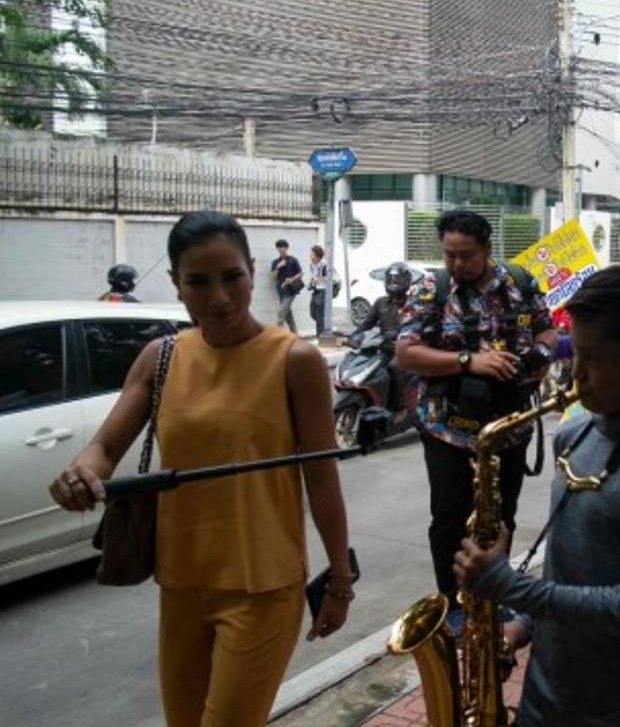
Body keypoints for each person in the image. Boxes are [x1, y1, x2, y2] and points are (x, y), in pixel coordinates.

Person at [49, 210, 352, 727]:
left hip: (264, 586)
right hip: (181, 582)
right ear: (176, 283)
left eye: (232, 277)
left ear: (252, 270)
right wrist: (80, 473)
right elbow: (103, 447)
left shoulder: (294, 360)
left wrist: (340, 581)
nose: (219, 298)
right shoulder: (161, 357)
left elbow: (322, 481)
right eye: (198, 282)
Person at [453, 264, 620, 726]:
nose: (576, 376)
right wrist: (523, 626)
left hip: (613, 706)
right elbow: (570, 570)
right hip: (544, 688)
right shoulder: (573, 434)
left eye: (593, 358)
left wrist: (508, 586)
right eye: (573, 354)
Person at [396, 210, 555, 630]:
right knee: (450, 520)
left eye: (466, 255)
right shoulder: (431, 289)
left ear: (486, 249)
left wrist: (538, 356)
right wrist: (470, 361)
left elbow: (548, 331)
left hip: (509, 429)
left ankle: (493, 597)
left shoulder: (519, 283)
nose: (457, 263)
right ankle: (453, 605)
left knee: (501, 519)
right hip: (448, 430)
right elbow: (406, 354)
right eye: (449, 254)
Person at [354, 261, 414, 421]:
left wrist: (400, 335)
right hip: (383, 348)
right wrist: (353, 336)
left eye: (398, 279)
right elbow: (366, 325)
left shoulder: (412, 303)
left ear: (407, 281)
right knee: (368, 368)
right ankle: (374, 403)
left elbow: (417, 326)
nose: (394, 283)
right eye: (391, 279)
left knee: (394, 367)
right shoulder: (381, 302)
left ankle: (400, 408)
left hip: (404, 350)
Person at [270, 239, 303, 333]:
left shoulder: (293, 260)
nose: (281, 249)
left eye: (283, 247)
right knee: (288, 313)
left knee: (281, 312)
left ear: (287, 248)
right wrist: (278, 267)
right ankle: (294, 333)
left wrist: (291, 279)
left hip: (291, 290)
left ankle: (275, 334)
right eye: (279, 247)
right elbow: (273, 277)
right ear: (277, 249)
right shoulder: (275, 262)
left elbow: (300, 273)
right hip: (281, 290)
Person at [307, 245, 329, 337]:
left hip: (323, 290)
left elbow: (329, 279)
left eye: (312, 254)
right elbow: (314, 276)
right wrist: (311, 283)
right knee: (312, 313)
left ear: (318, 256)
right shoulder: (312, 265)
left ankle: (320, 336)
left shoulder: (325, 265)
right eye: (310, 254)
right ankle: (324, 327)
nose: (310, 256)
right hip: (316, 289)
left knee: (319, 315)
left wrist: (322, 279)